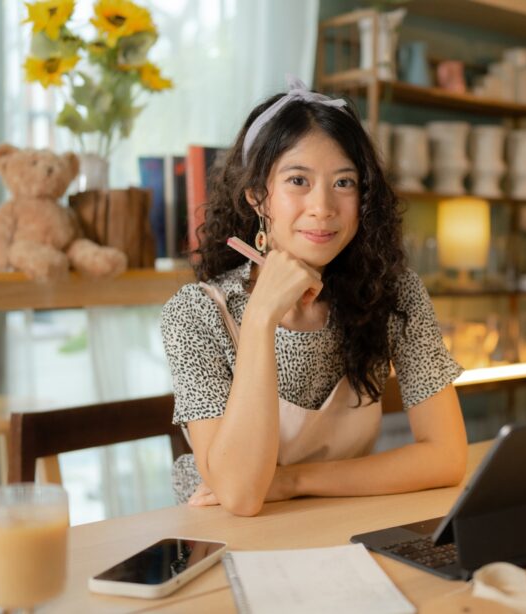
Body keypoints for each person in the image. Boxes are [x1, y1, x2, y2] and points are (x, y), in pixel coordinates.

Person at [160, 77, 468, 516]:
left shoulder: (393, 293)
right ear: (256, 196)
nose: (323, 206)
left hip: (341, 525)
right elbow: (243, 496)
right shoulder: (194, 315)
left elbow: (446, 457)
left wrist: (294, 482)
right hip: (227, 545)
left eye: (344, 183)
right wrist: (262, 315)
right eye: (298, 180)